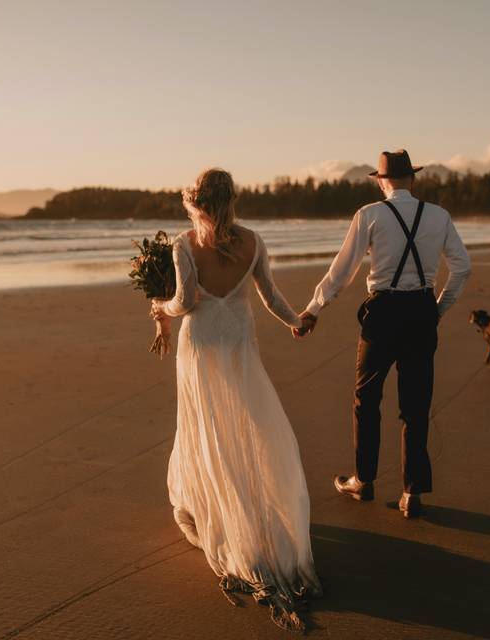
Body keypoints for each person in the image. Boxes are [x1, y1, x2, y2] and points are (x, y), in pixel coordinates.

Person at [151, 168, 320, 633]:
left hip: (202, 347)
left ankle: (225, 517)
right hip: (240, 346)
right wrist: (295, 321)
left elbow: (184, 302)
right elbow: (269, 294)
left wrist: (158, 307)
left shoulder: (185, 243)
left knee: (209, 430)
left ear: (198, 203)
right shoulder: (253, 241)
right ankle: (252, 511)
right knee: (247, 426)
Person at [295, 149, 472, 518]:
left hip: (384, 314)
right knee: (416, 404)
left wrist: (313, 309)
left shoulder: (370, 215)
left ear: (381, 181)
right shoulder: (438, 215)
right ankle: (412, 494)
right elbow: (462, 268)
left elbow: (342, 272)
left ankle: (364, 480)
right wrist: (437, 308)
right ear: (414, 178)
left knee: (366, 399)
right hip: (422, 311)